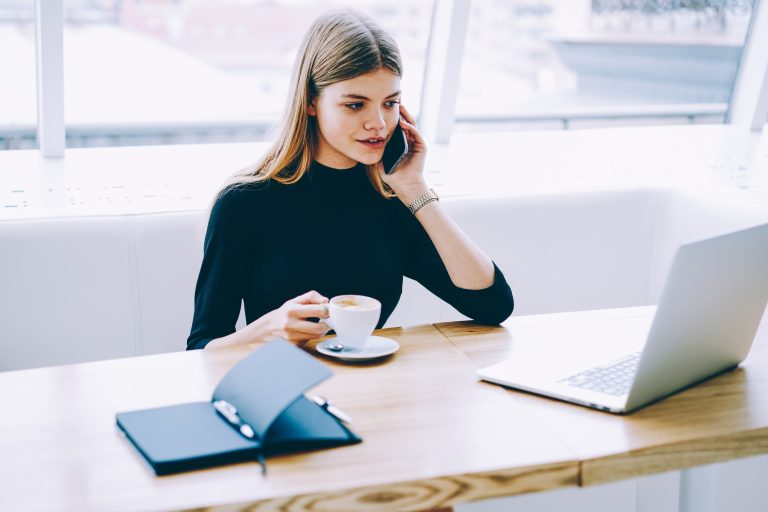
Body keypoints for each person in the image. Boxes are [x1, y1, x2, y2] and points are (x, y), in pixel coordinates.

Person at [187, 9, 513, 351]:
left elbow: (493, 305)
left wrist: (416, 190)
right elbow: (199, 349)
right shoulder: (244, 202)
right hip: (284, 390)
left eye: (390, 103)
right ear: (312, 102)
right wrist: (267, 331)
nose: (379, 123)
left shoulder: (392, 200)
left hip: (373, 390)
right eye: (356, 105)